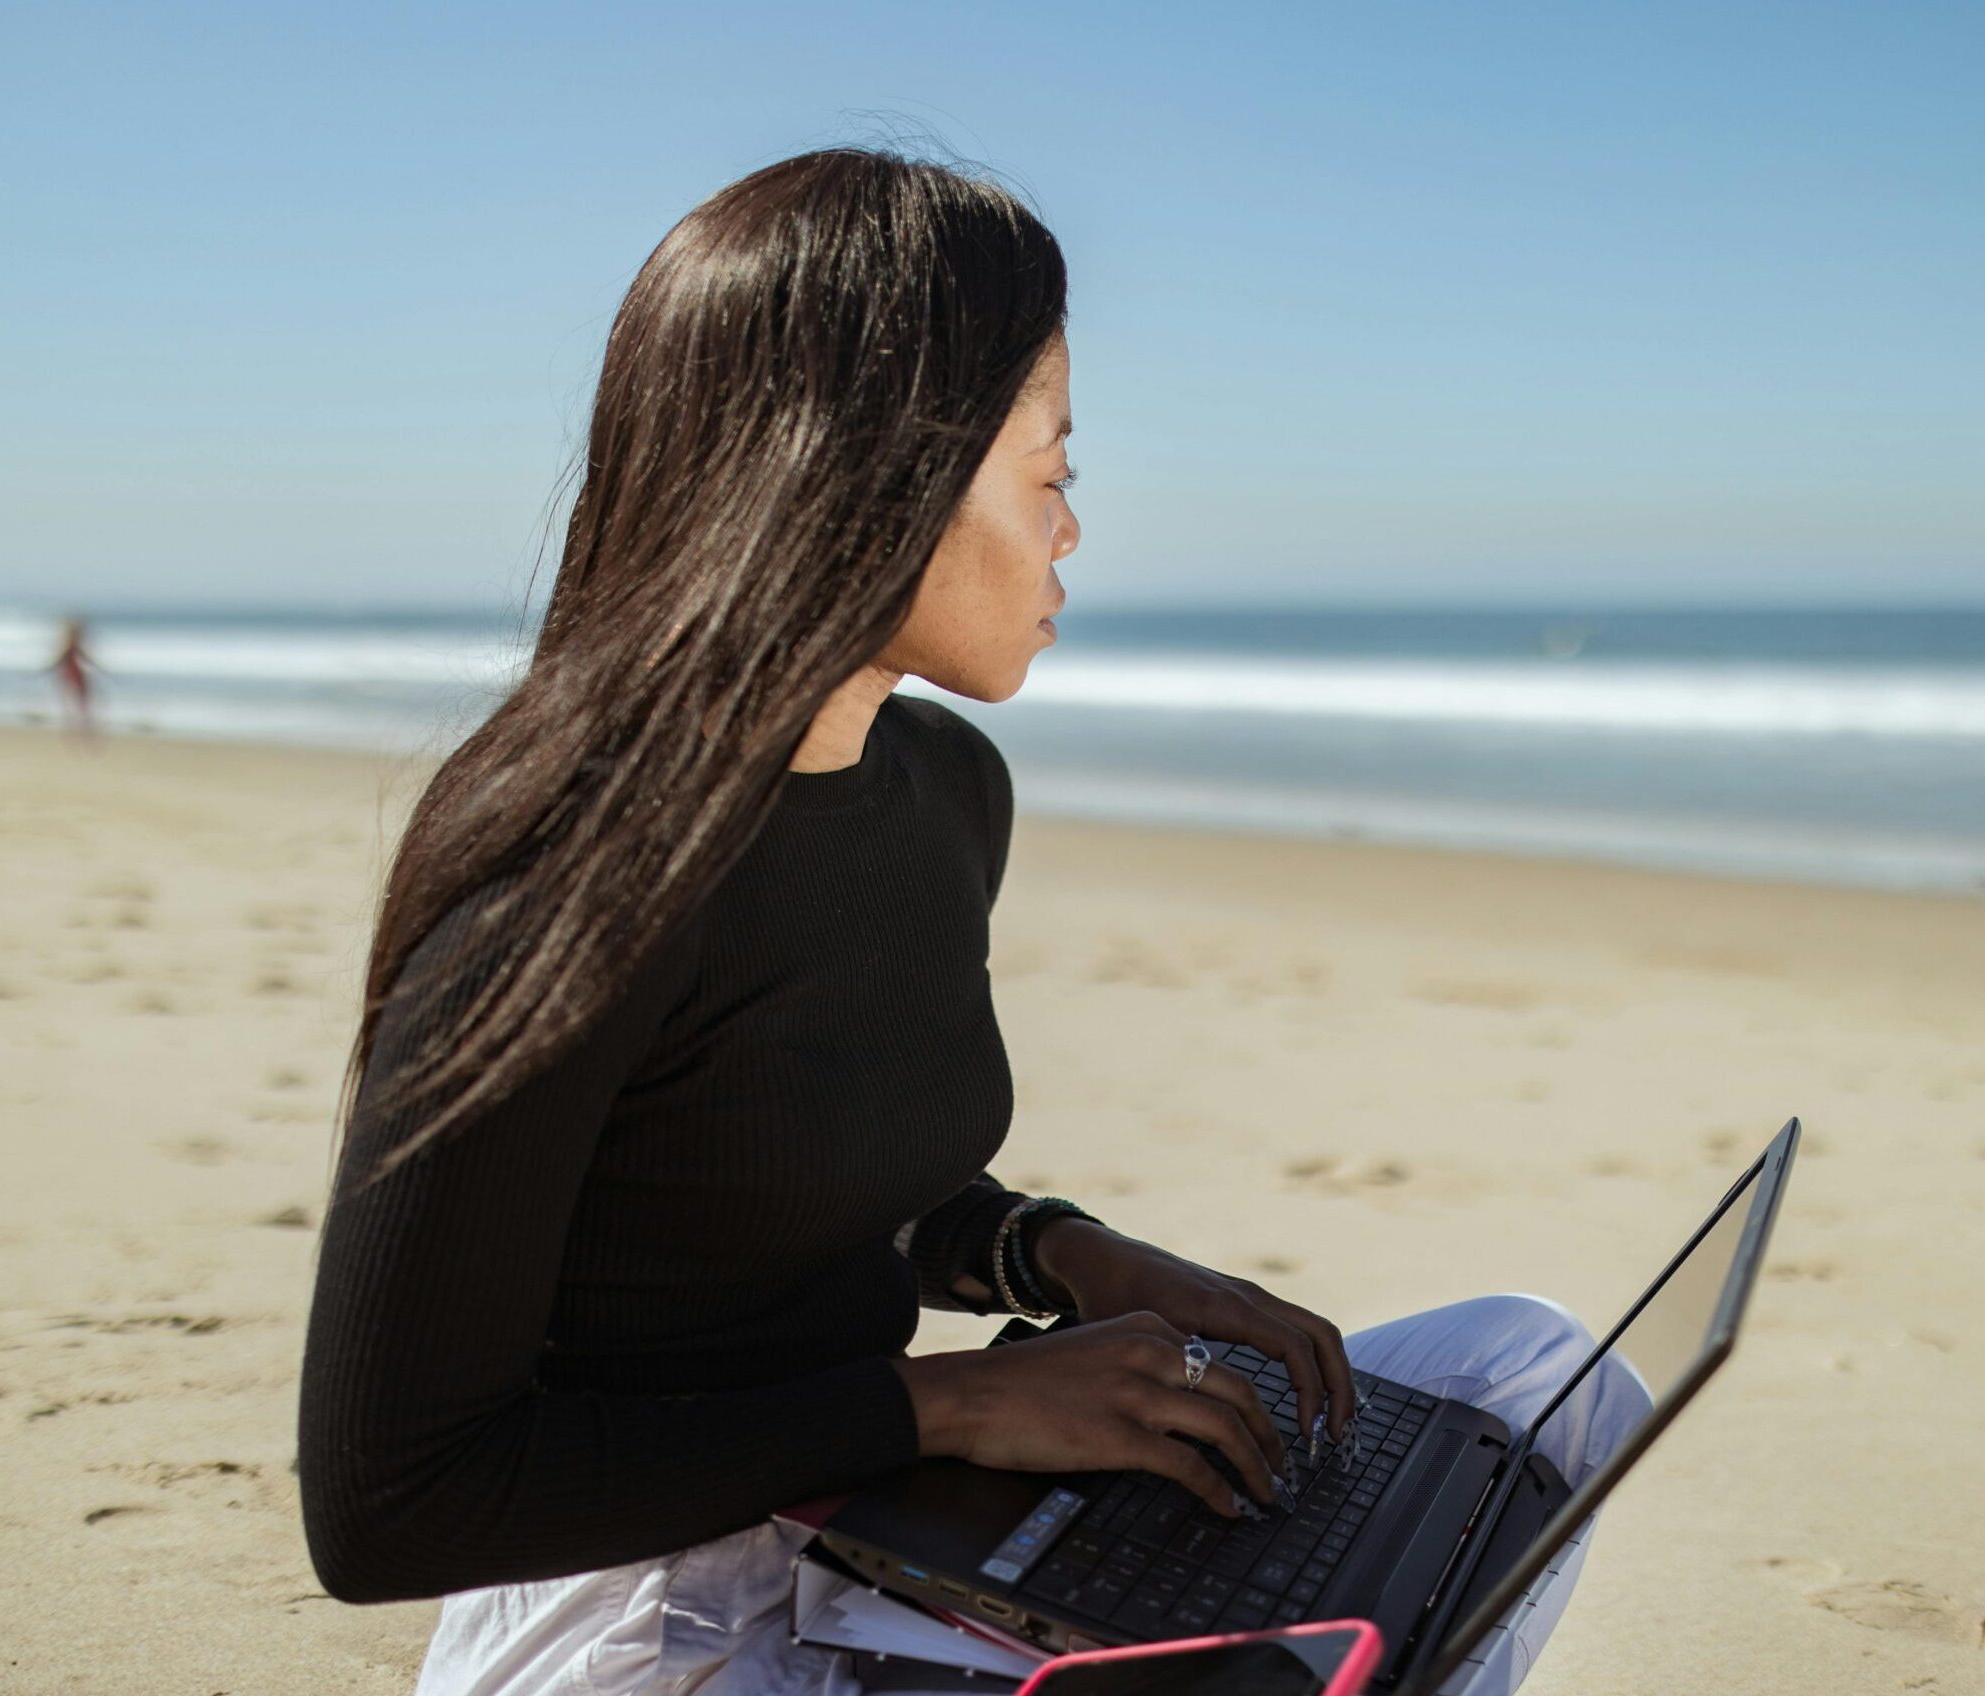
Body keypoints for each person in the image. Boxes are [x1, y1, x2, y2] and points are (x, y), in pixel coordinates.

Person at [296, 146, 1648, 1696]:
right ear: (878, 471)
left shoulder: (942, 791)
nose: (1072, 530)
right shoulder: (567, 872)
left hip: (892, 1518)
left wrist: (1065, 1258)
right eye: (1052, 470)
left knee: (1533, 1380)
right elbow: (388, 1502)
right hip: (644, 1611)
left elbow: (805, 1168)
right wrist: (946, 1409)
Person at [46, 614, 105, 746]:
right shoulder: (70, 648)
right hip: (71, 678)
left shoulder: (72, 647)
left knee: (79, 708)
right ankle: (76, 737)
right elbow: (57, 664)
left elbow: (56, 664)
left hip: (75, 677)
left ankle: (79, 736)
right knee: (75, 709)